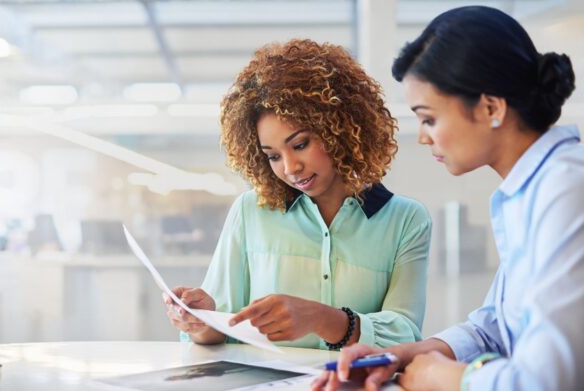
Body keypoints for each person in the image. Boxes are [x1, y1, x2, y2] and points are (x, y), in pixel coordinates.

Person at [312, 5, 581, 391]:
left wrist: (442, 377)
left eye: (429, 118)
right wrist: (404, 355)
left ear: (490, 107)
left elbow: (547, 381)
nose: (423, 137)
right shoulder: (527, 190)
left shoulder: (566, 189)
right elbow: (493, 328)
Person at [162, 38, 432, 350]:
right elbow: (219, 331)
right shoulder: (250, 211)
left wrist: (322, 318)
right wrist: (201, 321)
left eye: (300, 144)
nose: (290, 168)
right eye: (273, 156)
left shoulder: (406, 220)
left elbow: (405, 334)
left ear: (340, 129)